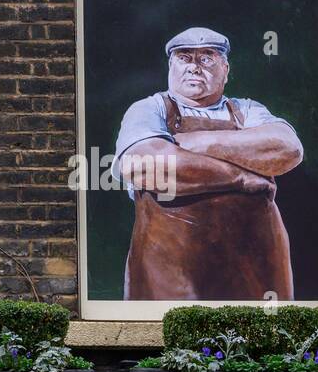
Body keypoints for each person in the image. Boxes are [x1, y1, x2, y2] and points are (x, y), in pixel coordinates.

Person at [112, 26, 303, 300]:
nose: (194, 67)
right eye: (185, 57)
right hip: (170, 273)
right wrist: (241, 177)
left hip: (255, 269)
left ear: (225, 69)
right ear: (170, 67)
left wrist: (195, 143)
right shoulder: (148, 109)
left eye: (206, 58)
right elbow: (145, 165)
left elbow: (288, 149)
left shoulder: (247, 110)